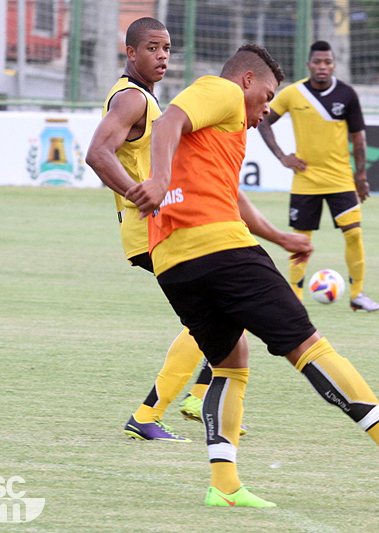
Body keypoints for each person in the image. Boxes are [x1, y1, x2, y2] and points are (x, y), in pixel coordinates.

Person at [125, 44, 379, 508]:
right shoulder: (223, 92)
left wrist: (279, 237)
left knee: (230, 364)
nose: (266, 109)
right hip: (221, 250)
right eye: (268, 95)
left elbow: (230, 196)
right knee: (308, 345)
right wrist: (157, 179)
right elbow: (169, 120)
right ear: (247, 80)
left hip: (174, 262)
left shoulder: (219, 133)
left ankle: (224, 486)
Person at [85, 17, 251, 443]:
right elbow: (97, 153)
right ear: (130, 53)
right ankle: (157, 411)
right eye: (152, 48)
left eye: (167, 49)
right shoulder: (132, 99)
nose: (162, 56)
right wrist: (139, 195)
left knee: (227, 310)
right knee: (219, 308)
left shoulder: (141, 98)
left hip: (154, 226)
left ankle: (191, 398)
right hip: (150, 229)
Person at [257, 40, 379, 312]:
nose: (322, 66)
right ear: (309, 65)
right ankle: (294, 299)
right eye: (317, 62)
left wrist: (361, 177)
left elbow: (359, 138)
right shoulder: (293, 93)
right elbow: (263, 120)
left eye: (327, 62)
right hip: (305, 180)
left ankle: (358, 294)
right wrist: (282, 156)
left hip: (340, 180)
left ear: (334, 65)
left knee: (354, 234)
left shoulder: (347, 94)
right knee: (301, 241)